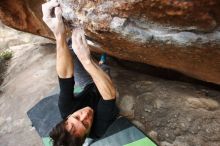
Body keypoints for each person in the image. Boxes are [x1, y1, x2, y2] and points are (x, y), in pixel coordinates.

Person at [42, 0, 118, 146]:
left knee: (70, 48)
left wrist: (58, 34)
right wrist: (87, 60)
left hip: (88, 86)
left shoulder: (65, 109)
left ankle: (92, 57)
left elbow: (65, 76)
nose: (85, 115)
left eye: (77, 117)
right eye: (85, 124)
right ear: (87, 133)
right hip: (105, 94)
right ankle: (102, 61)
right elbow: (109, 96)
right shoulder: (99, 129)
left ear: (68, 117)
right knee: (103, 69)